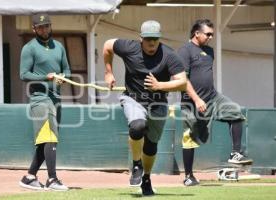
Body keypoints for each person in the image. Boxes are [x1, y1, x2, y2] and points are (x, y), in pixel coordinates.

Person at [103, 20, 187, 196]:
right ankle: (136, 164)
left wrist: (159, 86)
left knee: (151, 145)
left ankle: (146, 178)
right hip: (133, 98)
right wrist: (108, 72)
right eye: (148, 39)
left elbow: (182, 82)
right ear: (140, 38)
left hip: (158, 104)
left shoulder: (169, 55)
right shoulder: (129, 47)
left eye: (155, 39)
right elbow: (107, 45)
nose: (152, 43)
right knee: (137, 126)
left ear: (159, 38)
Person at [177, 19, 253, 186]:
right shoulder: (185, 51)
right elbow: (182, 80)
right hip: (191, 102)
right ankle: (188, 176)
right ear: (196, 33)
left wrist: (205, 97)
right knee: (190, 137)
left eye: (212, 34)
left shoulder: (209, 51)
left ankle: (235, 153)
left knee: (236, 113)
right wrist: (197, 99)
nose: (211, 37)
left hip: (212, 97)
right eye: (208, 34)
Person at [19, 13, 70, 191]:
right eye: (40, 27)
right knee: (50, 136)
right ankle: (52, 179)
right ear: (34, 29)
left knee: (46, 139)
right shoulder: (29, 48)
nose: (44, 29)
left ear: (50, 26)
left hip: (56, 98)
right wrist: (46, 78)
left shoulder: (59, 47)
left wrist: (64, 78)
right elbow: (24, 74)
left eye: (47, 26)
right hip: (39, 98)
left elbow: (67, 70)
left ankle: (29, 177)